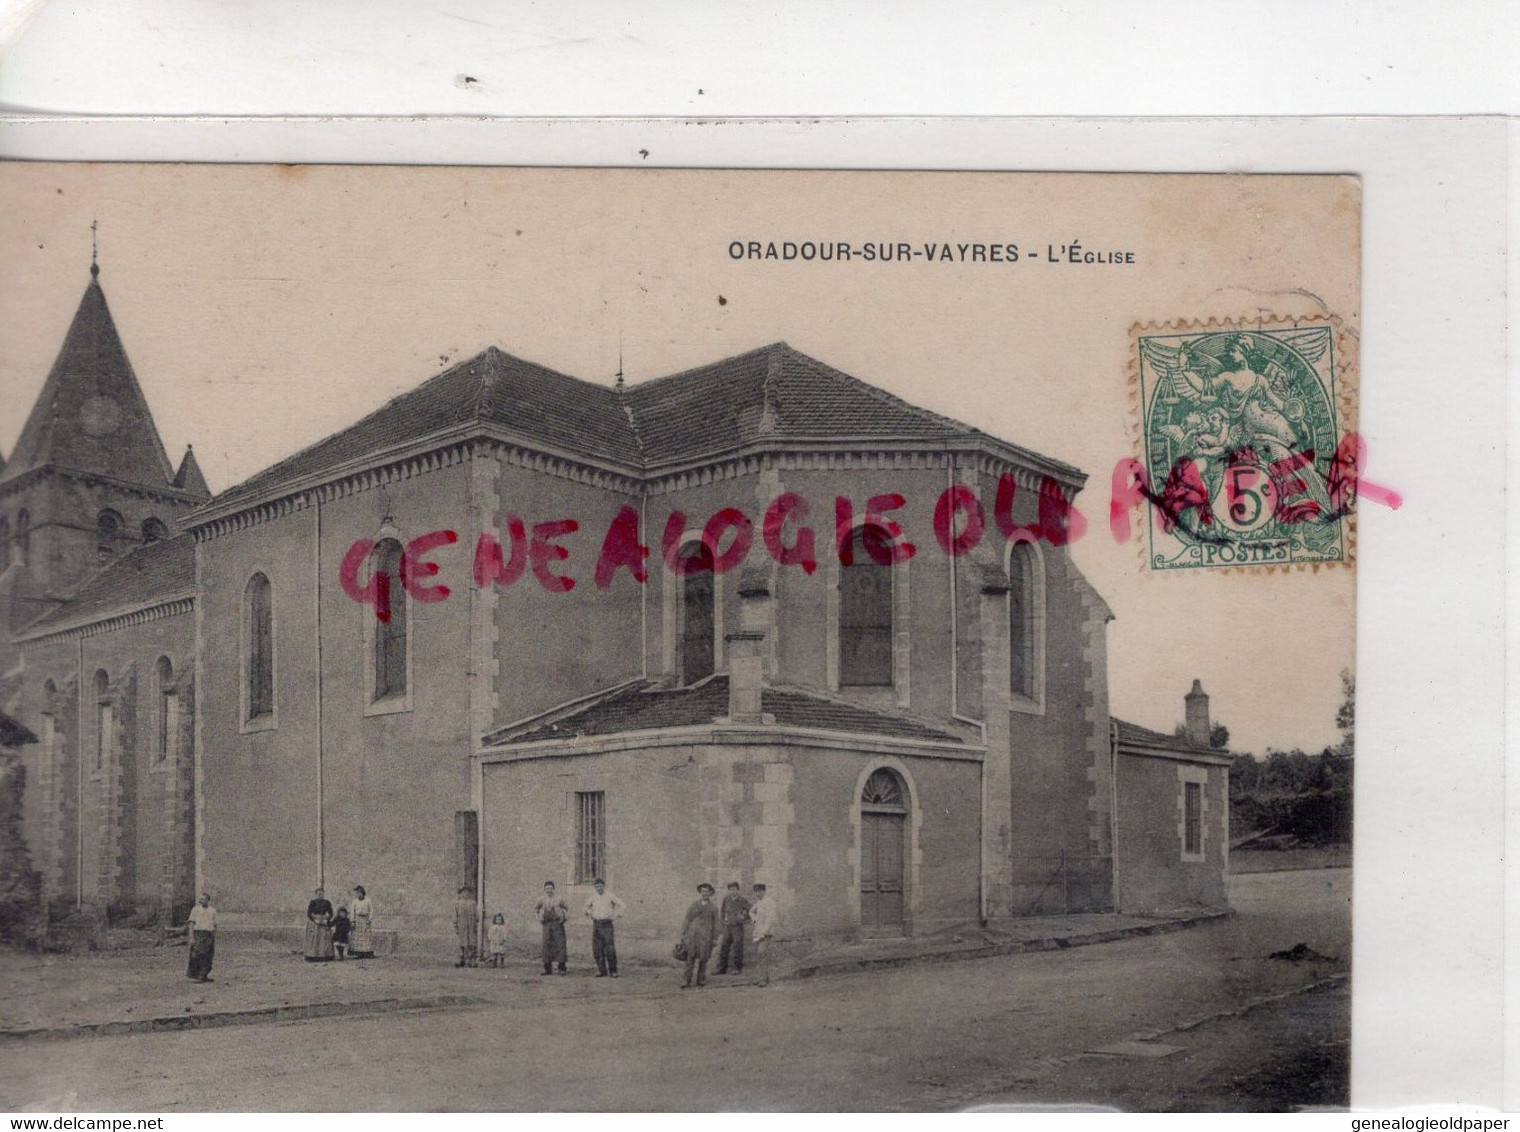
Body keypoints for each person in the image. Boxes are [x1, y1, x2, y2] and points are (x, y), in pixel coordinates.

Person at [679, 882, 720, 988]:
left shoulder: (713, 908)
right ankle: (686, 980)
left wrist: (715, 937)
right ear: (700, 893)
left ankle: (701, 980)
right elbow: (687, 919)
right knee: (690, 957)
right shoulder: (694, 905)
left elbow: (716, 924)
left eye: (707, 892)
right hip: (693, 935)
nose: (704, 894)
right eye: (702, 892)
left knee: (704, 958)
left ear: (710, 893)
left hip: (706, 936)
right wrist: (683, 933)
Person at [583, 878, 625, 978]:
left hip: (607, 924)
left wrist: (617, 915)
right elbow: (585, 907)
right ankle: (602, 971)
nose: (599, 888)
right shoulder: (593, 897)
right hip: (597, 924)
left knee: (609, 948)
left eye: (600, 886)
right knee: (597, 948)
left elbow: (622, 905)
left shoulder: (610, 896)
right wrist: (589, 913)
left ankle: (613, 971)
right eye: (596, 886)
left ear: (604, 886)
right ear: (594, 887)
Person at [715, 881, 751, 975]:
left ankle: (737, 968)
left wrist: (743, 917)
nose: (732, 891)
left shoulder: (742, 900)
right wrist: (723, 923)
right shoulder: (726, 899)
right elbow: (722, 912)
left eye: (734, 889)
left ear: (738, 890)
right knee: (724, 947)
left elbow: (750, 911)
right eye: (730, 890)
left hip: (737, 927)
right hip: (728, 927)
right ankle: (722, 968)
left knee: (737, 947)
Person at [534, 881, 569, 975]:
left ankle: (562, 968)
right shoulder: (541, 899)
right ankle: (547, 969)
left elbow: (566, 908)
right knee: (546, 945)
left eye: (551, 888)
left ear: (554, 889)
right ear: (544, 890)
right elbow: (536, 909)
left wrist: (563, 917)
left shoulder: (559, 899)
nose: (549, 890)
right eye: (547, 889)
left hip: (557, 924)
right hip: (547, 924)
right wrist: (539, 918)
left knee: (560, 944)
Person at [185, 892, 216, 982]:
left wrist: (213, 935)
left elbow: (215, 924)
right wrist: (191, 937)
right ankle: (198, 975)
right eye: (200, 899)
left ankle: (204, 974)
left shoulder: (212, 911)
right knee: (198, 954)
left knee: (208, 955)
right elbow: (191, 923)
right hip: (198, 933)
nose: (200, 901)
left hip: (209, 934)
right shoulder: (195, 910)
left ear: (208, 900)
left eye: (203, 899)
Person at [748, 883, 775, 986]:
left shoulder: (769, 902)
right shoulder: (759, 902)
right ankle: (762, 977)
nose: (758, 893)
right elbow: (751, 911)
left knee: (761, 954)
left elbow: (770, 919)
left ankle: (763, 979)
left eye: (760, 891)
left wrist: (764, 931)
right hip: (758, 932)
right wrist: (755, 920)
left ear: (764, 891)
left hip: (766, 933)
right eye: (756, 891)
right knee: (759, 955)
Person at [304, 887, 335, 962]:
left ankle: (325, 956)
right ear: (316, 894)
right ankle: (313, 956)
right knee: (314, 939)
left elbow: (331, 913)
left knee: (324, 939)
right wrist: (314, 920)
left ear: (323, 894)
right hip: (315, 922)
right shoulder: (313, 902)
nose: (320, 895)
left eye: (322, 894)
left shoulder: (327, 902)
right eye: (319, 894)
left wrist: (326, 920)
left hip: (323, 921)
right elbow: (309, 913)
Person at [349, 885, 375, 959]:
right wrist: (352, 921)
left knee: (366, 936)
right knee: (358, 937)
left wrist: (369, 919)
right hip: (357, 920)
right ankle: (359, 953)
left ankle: (367, 953)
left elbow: (372, 910)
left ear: (363, 893)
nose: (358, 894)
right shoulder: (354, 901)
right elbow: (352, 911)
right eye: (357, 893)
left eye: (360, 892)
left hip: (365, 920)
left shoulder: (368, 901)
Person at [454, 886, 478, 968]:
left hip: (471, 924)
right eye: (464, 892)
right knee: (462, 942)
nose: (466, 894)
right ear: (460, 894)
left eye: (467, 892)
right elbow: (455, 915)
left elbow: (476, 915)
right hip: (462, 924)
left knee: (471, 942)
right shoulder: (458, 903)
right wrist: (456, 926)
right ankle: (462, 960)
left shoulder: (472, 903)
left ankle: (472, 960)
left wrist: (475, 925)